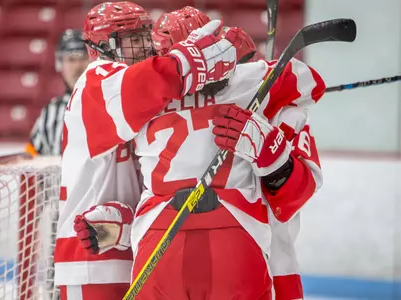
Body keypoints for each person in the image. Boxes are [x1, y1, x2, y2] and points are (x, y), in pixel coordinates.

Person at [75, 5, 323, 300]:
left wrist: (276, 161)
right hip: (246, 239)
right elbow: (312, 84)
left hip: (161, 240)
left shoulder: (142, 101)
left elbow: (299, 188)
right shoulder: (259, 84)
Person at [54, 1, 241, 299]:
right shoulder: (97, 79)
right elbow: (143, 85)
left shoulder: (150, 94)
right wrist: (186, 61)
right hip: (89, 254)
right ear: (102, 46)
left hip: (134, 246)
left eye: (145, 37)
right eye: (131, 40)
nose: (143, 47)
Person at [26, 29, 89, 156]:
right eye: (71, 59)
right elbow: (31, 156)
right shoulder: (50, 111)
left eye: (83, 58)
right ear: (60, 64)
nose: (78, 66)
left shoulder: (106, 104)